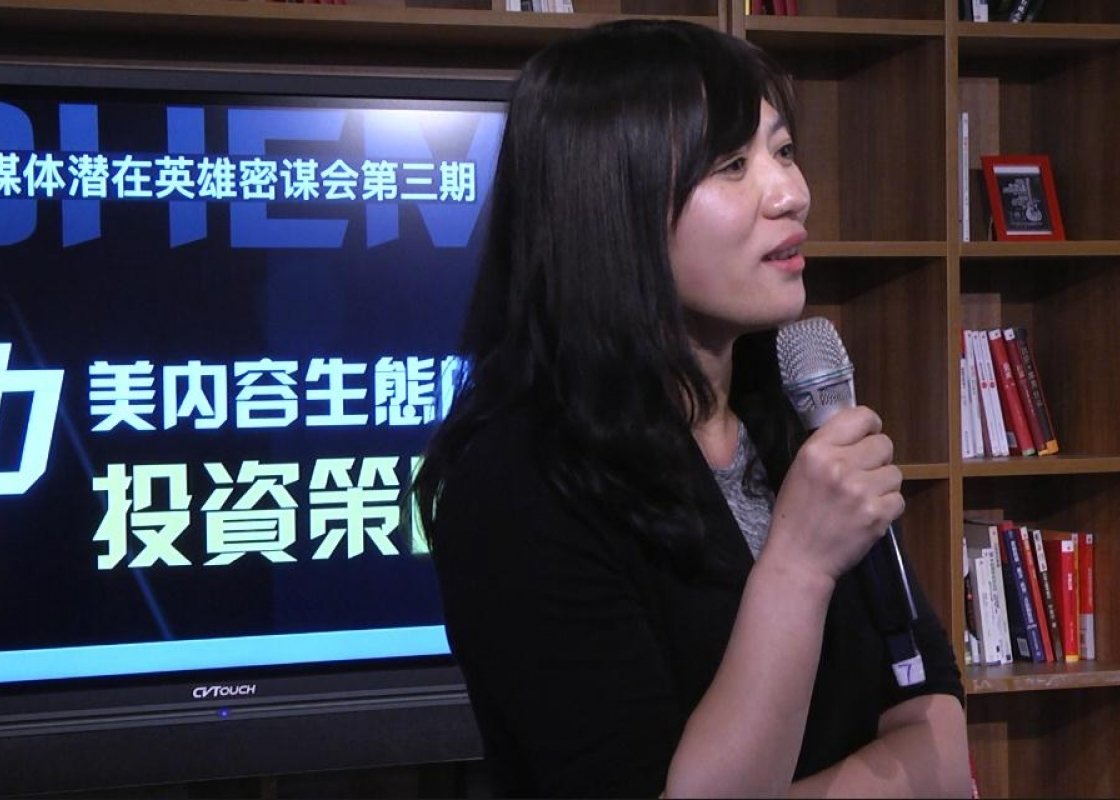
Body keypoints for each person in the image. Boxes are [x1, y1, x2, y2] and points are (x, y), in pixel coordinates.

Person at [413, 19, 971, 798]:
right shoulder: (520, 483)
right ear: (611, 206)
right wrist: (797, 567)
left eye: (782, 151)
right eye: (732, 165)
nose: (792, 193)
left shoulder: (792, 418)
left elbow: (935, 734)